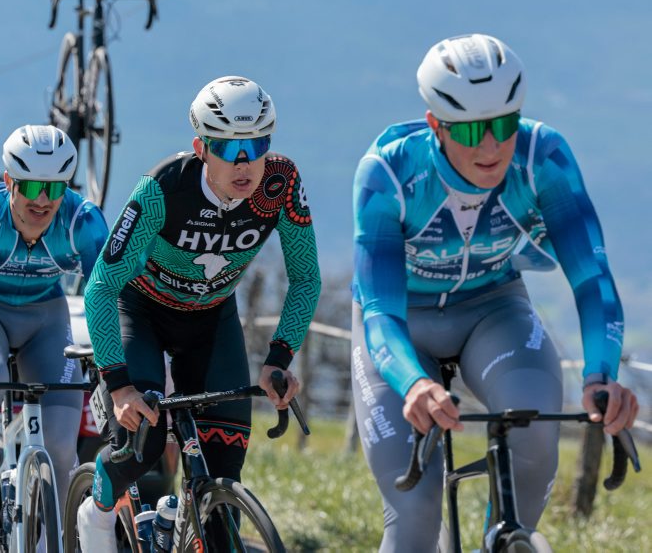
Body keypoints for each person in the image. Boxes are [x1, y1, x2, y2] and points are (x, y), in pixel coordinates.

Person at [351, 33, 640, 551]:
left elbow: (591, 277)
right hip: (401, 326)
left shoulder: (542, 157)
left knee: (534, 443)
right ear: (435, 124)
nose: (490, 147)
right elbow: (379, 312)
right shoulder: (389, 173)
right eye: (469, 130)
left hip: (493, 310)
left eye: (504, 125)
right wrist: (412, 382)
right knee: (415, 510)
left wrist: (602, 374)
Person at [77, 76, 321, 551]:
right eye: (228, 148)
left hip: (210, 318)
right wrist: (120, 386)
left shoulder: (281, 184)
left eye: (258, 144)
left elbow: (306, 279)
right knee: (143, 445)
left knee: (223, 472)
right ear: (201, 149)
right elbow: (102, 285)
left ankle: (185, 522)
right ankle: (98, 512)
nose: (245, 162)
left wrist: (278, 358)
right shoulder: (163, 188)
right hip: (141, 312)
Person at [0, 125, 109, 552]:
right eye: (31, 186)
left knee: (62, 446)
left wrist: (114, 364)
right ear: (9, 181)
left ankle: (52, 538)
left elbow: (108, 301)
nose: (43, 199)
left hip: (45, 318)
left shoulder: (83, 221)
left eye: (55, 187)